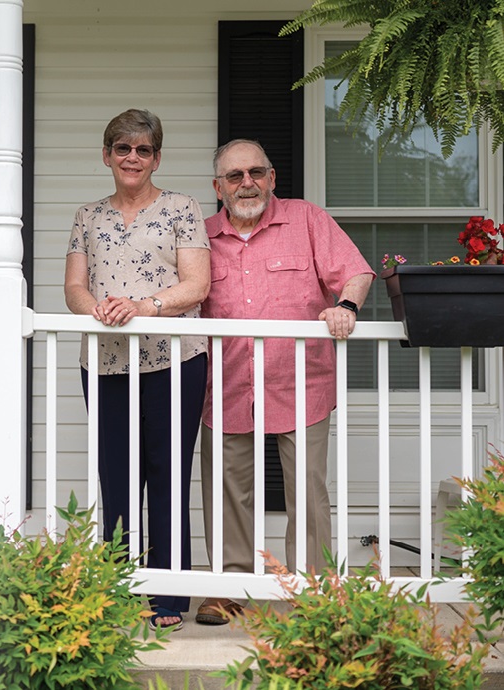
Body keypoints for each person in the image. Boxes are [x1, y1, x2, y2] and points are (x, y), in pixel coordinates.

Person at [196, 139, 375, 625]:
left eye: (256, 172)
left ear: (272, 178)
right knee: (227, 491)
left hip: (302, 382)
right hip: (226, 384)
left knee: (308, 493)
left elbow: (357, 272)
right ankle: (228, 588)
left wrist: (346, 306)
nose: (247, 183)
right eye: (234, 176)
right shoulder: (199, 233)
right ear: (218, 188)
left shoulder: (307, 219)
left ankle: (312, 592)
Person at [64, 109, 211, 631]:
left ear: (156, 158)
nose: (132, 157)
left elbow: (197, 285)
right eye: (122, 148)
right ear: (107, 155)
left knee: (168, 476)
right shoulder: (88, 215)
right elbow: (75, 288)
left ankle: (169, 595)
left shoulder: (182, 209)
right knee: (117, 477)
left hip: (175, 360)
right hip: (105, 365)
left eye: (143, 149)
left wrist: (144, 306)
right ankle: (118, 592)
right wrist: (96, 310)